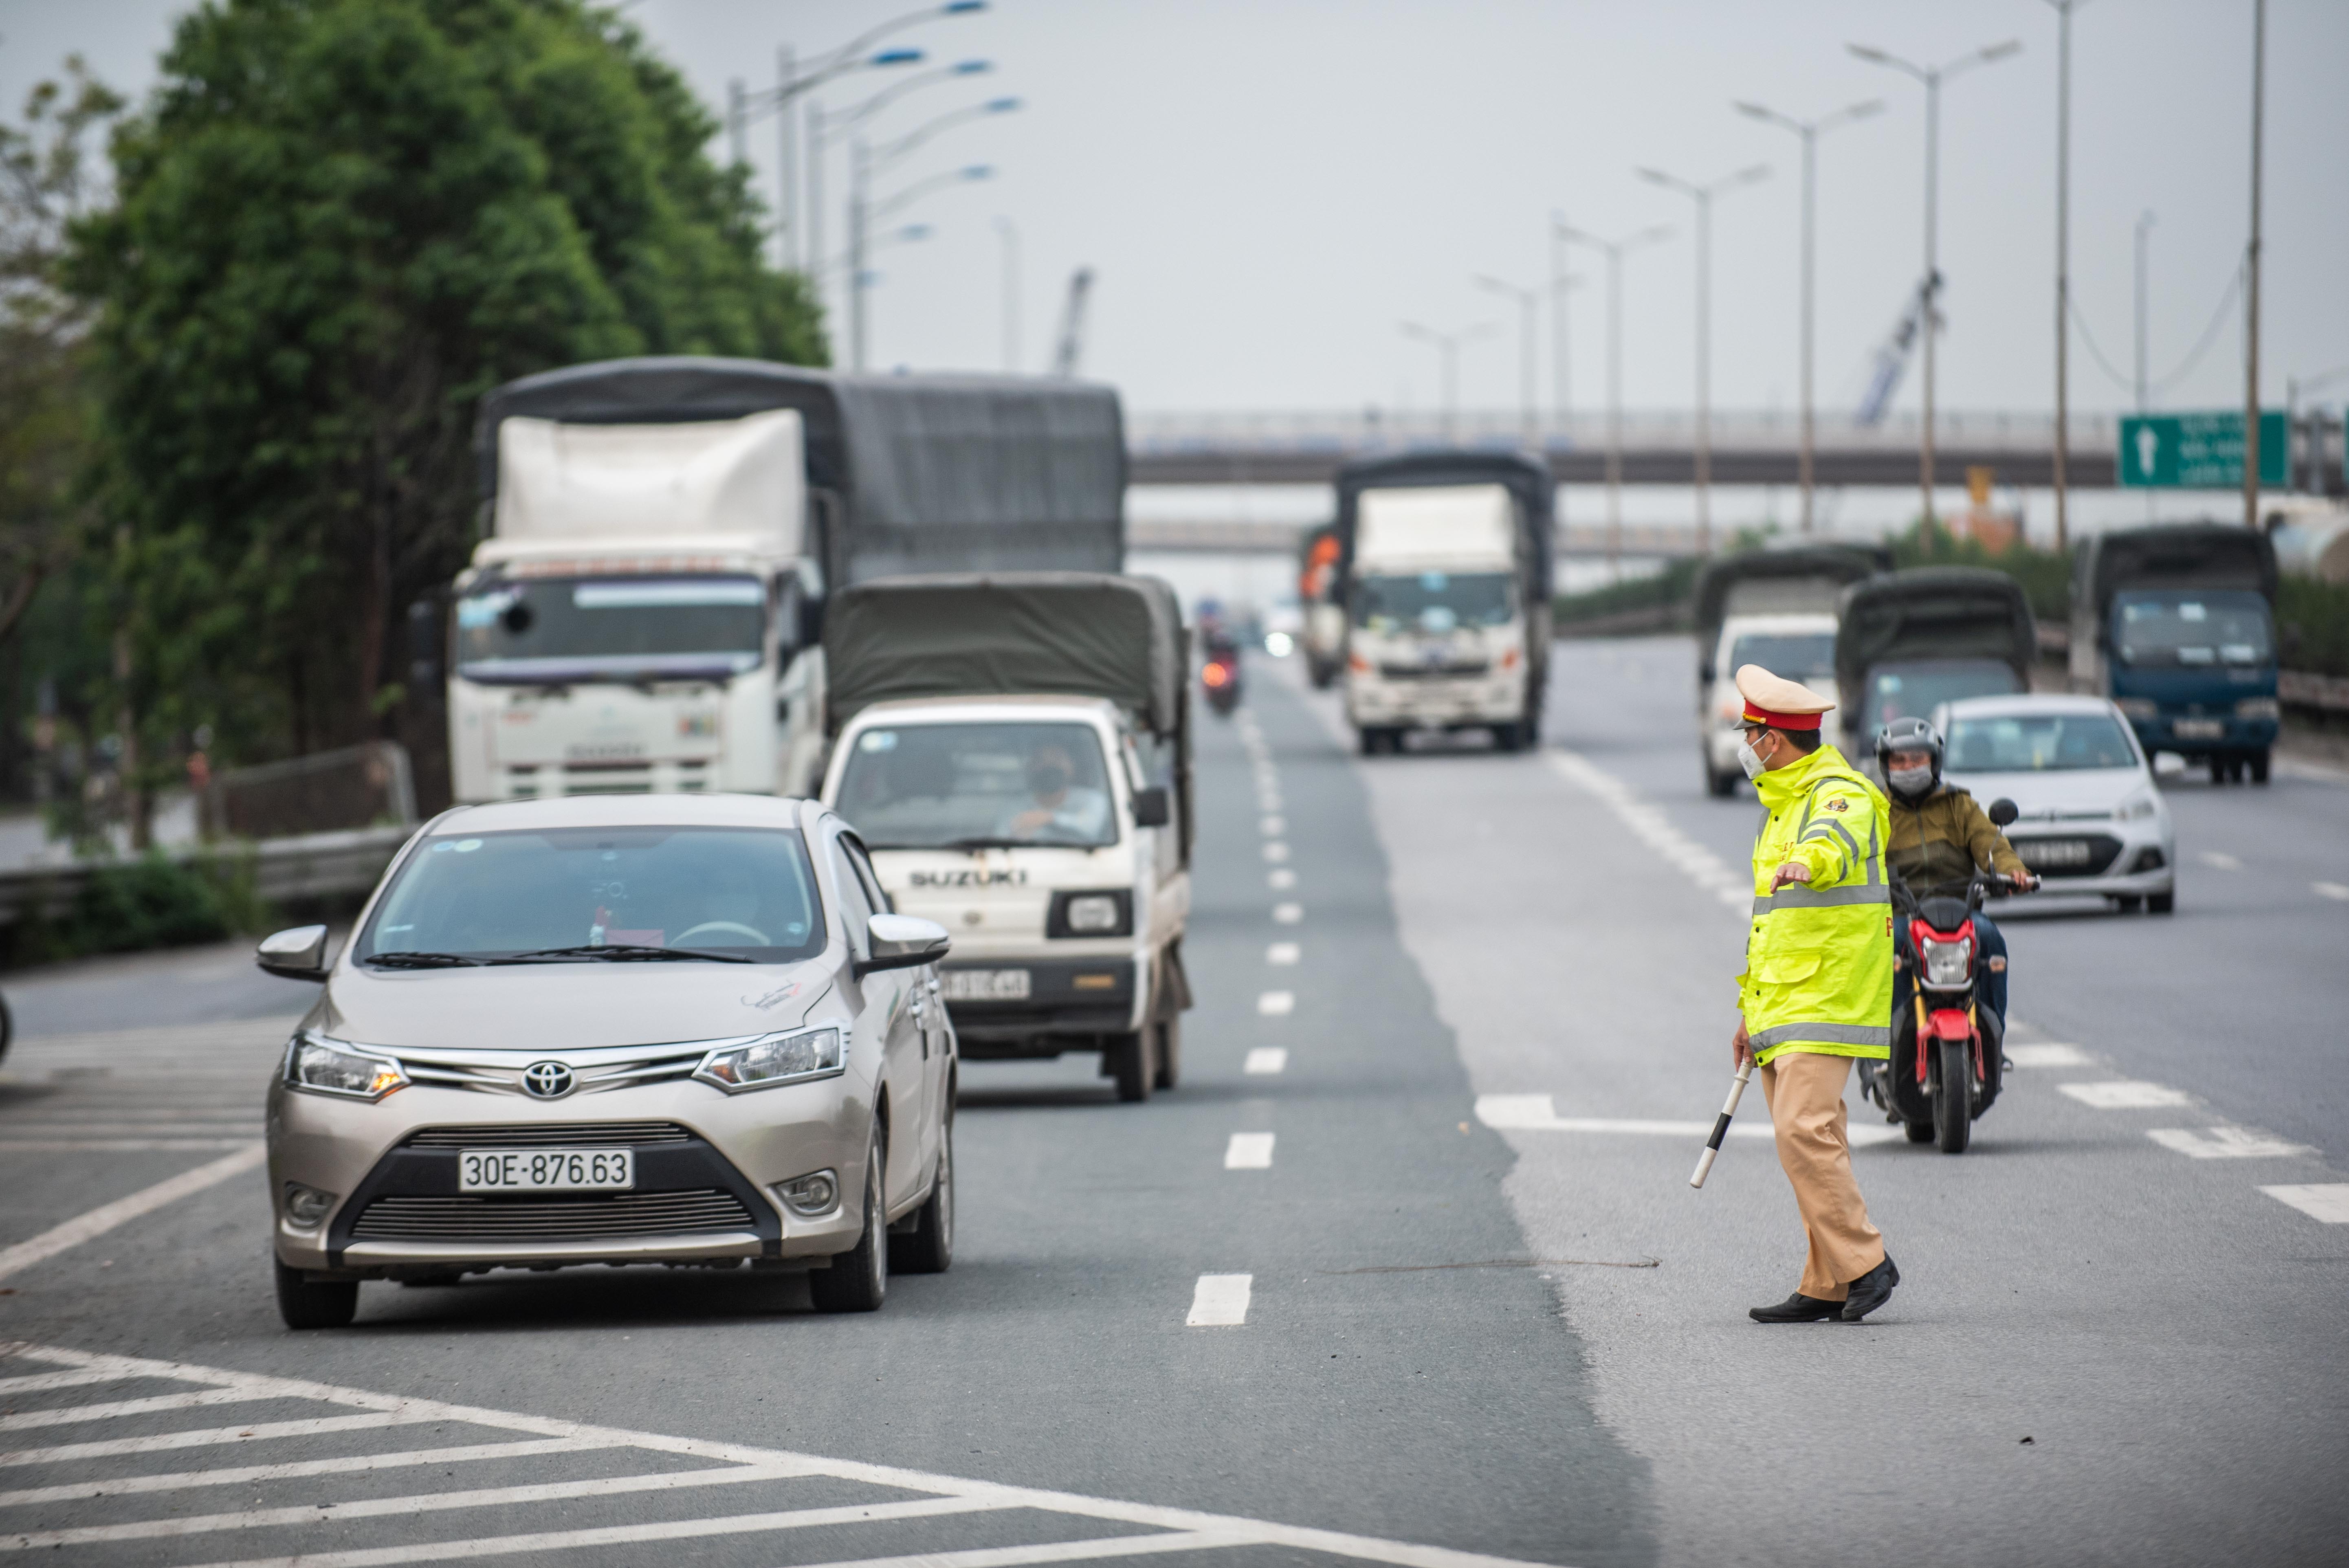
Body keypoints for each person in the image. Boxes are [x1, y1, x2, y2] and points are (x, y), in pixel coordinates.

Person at [1729, 664, 1901, 1325]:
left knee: (1800, 1130)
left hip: (1827, 996)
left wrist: (1813, 859)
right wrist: (1748, 1011)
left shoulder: (1837, 792)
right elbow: (1772, 925)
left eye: (1750, 731)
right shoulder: (1780, 808)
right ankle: (1827, 1279)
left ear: (1773, 740)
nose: (1744, 743)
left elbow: (1834, 839)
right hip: (1783, 1001)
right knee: (1810, 1137)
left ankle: (1865, 1261)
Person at [1876, 716, 2036, 1029]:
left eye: (1918, 759)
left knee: (1989, 937)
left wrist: (2013, 872)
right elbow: (1856, 856)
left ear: (1934, 761)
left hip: (1958, 913)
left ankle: (1991, 1030)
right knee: (1887, 948)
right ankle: (1887, 1047)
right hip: (1899, 914)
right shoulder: (1873, 809)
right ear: (1886, 765)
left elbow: (1990, 842)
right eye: (1900, 760)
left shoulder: (1959, 804)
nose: (1909, 767)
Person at [999, 741, 1110, 843]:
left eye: (1057, 758)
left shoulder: (1092, 800)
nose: (1050, 765)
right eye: (1041, 760)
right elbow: (1000, 840)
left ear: (1072, 766)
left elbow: (1091, 828)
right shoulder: (1016, 807)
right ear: (1031, 768)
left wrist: (1050, 818)